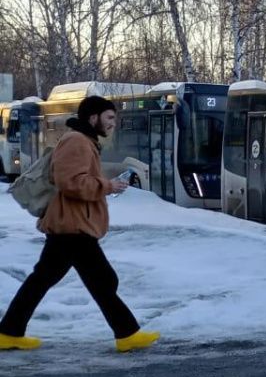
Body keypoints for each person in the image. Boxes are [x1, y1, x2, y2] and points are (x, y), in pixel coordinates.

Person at [0, 96, 159, 353]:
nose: (113, 124)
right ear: (93, 117)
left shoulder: (84, 141)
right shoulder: (77, 141)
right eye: (109, 118)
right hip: (73, 226)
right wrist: (107, 186)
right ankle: (127, 334)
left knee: (45, 280)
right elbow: (70, 182)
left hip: (70, 225)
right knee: (101, 281)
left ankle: (9, 332)